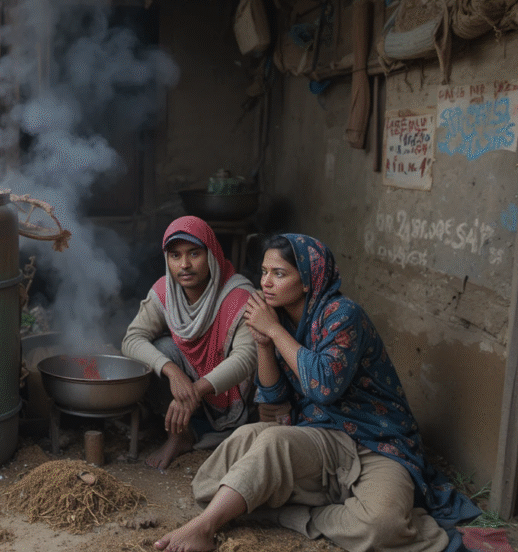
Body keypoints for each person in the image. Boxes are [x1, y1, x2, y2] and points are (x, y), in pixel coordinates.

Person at [153, 234, 480, 552]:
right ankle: (293, 500)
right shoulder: (277, 319)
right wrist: (264, 345)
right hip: (318, 435)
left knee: (383, 526)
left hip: (376, 442)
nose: (266, 282)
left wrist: (274, 332)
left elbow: (324, 387)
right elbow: (275, 405)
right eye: (264, 272)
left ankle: (233, 522)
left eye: (279, 274)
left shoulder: (342, 315)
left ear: (308, 280)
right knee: (213, 480)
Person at [122, 216, 257, 471]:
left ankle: (188, 432)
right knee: (160, 351)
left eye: (194, 254)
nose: (184, 265)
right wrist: (173, 373)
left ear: (212, 254)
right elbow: (132, 339)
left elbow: (246, 359)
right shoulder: (165, 292)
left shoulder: (239, 296)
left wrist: (195, 390)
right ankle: (180, 434)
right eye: (175, 255)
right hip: (187, 390)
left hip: (229, 394)